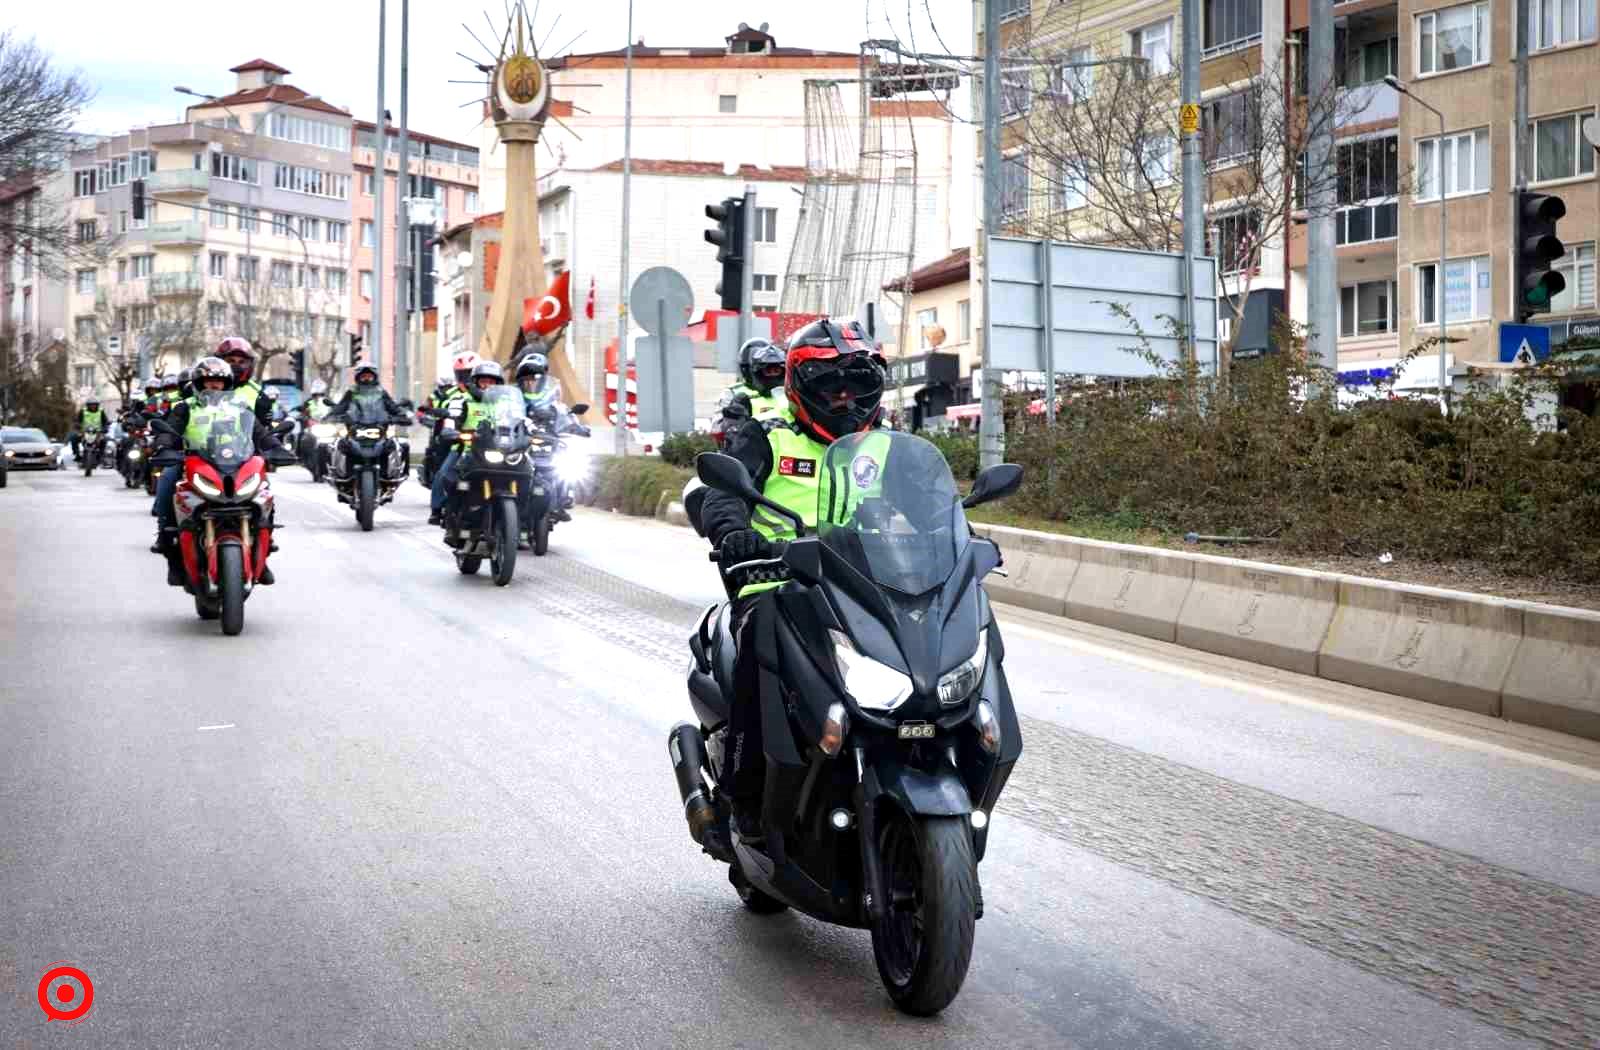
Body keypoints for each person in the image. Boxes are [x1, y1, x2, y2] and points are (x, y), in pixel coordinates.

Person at [699, 318, 888, 840]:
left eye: (854, 384)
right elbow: (723, 493)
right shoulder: (767, 433)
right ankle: (742, 799)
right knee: (763, 658)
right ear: (800, 387)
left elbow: (925, 505)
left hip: (867, 586)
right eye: (830, 384)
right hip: (776, 582)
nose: (844, 396)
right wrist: (735, 531)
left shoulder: (888, 442)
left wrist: (956, 535)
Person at [150, 356, 285, 586]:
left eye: (219, 381)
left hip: (235, 463)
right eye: (208, 380)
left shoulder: (239, 408)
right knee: (166, 482)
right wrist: (164, 445)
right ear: (199, 383)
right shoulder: (185, 407)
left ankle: (264, 548)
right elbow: (170, 430)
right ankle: (168, 544)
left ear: (227, 384)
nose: (214, 385)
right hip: (194, 463)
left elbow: (259, 433)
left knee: (264, 491)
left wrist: (276, 448)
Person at [430, 360, 506, 524]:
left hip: (497, 450)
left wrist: (531, 429)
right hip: (466, 448)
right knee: (444, 475)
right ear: (475, 382)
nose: (487, 386)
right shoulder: (462, 400)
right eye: (483, 381)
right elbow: (452, 418)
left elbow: (519, 419)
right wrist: (450, 430)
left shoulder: (504, 403)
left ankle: (521, 523)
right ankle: (439, 510)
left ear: (498, 385)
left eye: (492, 382)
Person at [73, 397, 109, 462]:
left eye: (94, 405)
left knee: (104, 440)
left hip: (97, 432)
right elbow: (77, 420)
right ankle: (77, 454)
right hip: (85, 431)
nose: (93, 406)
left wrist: (105, 428)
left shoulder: (101, 411)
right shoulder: (83, 411)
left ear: (97, 405)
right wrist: (77, 425)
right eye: (91, 405)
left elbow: (105, 421)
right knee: (74, 438)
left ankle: (101, 456)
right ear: (87, 405)